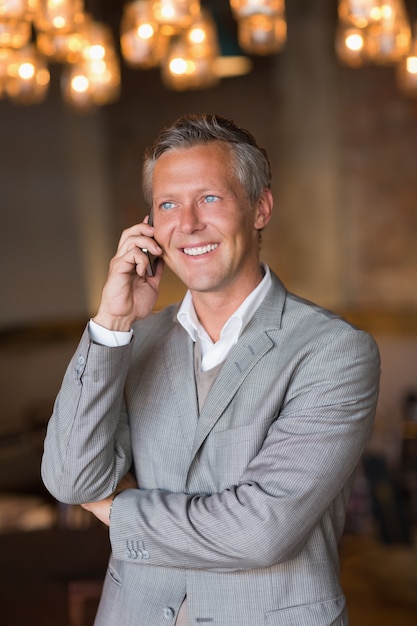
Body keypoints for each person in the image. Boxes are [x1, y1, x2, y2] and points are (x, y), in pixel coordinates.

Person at [42, 113, 380, 626]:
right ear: (151, 226)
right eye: (168, 204)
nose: (189, 223)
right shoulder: (134, 340)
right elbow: (71, 479)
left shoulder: (334, 352)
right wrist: (112, 323)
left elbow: (259, 531)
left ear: (260, 207)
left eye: (210, 198)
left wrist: (116, 509)